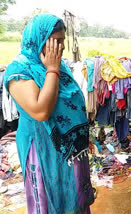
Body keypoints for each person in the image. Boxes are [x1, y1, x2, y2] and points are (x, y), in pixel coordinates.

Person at [4, 14, 94, 213]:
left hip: (67, 149)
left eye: (63, 41)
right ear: (40, 40)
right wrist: (51, 70)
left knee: (73, 195)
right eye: (56, 42)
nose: (61, 48)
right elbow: (41, 111)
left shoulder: (60, 66)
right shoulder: (20, 70)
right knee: (48, 197)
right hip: (41, 147)